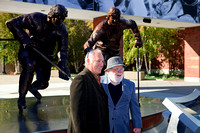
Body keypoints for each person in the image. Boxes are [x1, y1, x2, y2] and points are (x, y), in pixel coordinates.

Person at [6, 4, 70, 114]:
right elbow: (11, 23)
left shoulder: (62, 29)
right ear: (51, 15)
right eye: (58, 18)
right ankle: (22, 97)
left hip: (45, 56)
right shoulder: (36, 18)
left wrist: (62, 65)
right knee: (30, 65)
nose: (60, 21)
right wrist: (24, 39)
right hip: (29, 51)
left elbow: (63, 49)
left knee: (44, 83)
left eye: (62, 19)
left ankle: (31, 88)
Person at [68, 49, 109, 133]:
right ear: (88, 61)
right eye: (98, 61)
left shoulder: (96, 79)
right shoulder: (80, 80)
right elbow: (77, 116)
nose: (101, 64)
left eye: (102, 61)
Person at [101, 56, 142, 133]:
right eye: (116, 69)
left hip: (122, 127)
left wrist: (137, 125)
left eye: (121, 69)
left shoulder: (130, 85)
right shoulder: (99, 82)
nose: (120, 71)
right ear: (108, 71)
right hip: (104, 126)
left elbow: (134, 107)